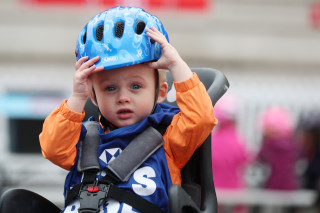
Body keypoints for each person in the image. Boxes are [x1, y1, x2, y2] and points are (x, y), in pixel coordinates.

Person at [39, 6, 216, 213]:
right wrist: (77, 98)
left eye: (135, 86)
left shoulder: (168, 138)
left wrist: (176, 65)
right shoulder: (83, 138)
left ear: (160, 93)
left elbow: (201, 119)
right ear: (94, 97)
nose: (123, 98)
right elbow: (52, 148)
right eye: (110, 88)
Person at [211, 94, 250, 213]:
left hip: (214, 190)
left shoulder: (212, 140)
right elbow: (246, 159)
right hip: (235, 191)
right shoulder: (239, 141)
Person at [256, 106, 299, 190]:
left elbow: (259, 160)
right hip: (290, 186)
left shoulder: (268, 146)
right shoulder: (292, 145)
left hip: (272, 185)